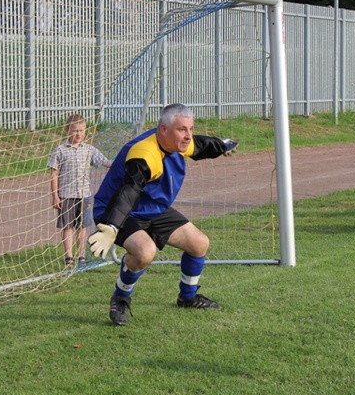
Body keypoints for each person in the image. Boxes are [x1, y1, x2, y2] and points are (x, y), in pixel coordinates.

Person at [87, 103, 238, 326]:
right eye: (182, 130)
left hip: (152, 208)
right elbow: (128, 193)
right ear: (163, 129)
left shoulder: (178, 143)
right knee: (144, 253)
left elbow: (200, 146)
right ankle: (121, 296)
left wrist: (220, 146)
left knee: (199, 243)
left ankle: (187, 298)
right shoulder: (144, 154)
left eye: (190, 128)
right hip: (117, 211)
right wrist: (111, 226)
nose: (188, 136)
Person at [48, 114, 112, 266]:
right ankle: (69, 256)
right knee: (68, 226)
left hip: (84, 195)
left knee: (82, 226)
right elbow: (54, 174)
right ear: (67, 130)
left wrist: (123, 162)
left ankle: (81, 255)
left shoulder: (89, 150)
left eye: (81, 131)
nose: (78, 134)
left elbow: (104, 162)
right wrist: (55, 196)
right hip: (66, 195)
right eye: (75, 130)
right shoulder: (60, 150)